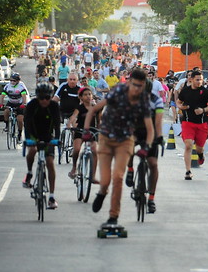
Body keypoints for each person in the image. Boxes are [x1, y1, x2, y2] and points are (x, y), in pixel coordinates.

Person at [85, 68, 154, 229]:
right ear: (129, 82)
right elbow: (94, 110)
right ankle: (102, 192)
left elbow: (150, 129)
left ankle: (113, 216)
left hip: (125, 140)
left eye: (141, 86)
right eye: (135, 85)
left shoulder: (143, 100)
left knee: (118, 177)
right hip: (106, 139)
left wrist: (146, 146)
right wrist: (87, 131)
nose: (137, 89)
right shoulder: (117, 92)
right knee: (106, 180)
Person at [125, 79, 165, 213]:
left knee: (153, 164)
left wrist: (159, 137)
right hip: (135, 130)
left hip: (151, 132)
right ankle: (130, 169)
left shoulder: (156, 100)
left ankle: (151, 198)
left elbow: (158, 121)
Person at [23, 83, 61, 209]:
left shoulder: (54, 106)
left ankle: (51, 196)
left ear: (51, 97)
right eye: (41, 98)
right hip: (34, 134)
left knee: (50, 162)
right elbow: (27, 123)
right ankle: (29, 173)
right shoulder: (32, 105)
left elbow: (57, 124)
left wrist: (57, 139)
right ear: (37, 97)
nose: (44, 100)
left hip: (47, 136)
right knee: (33, 150)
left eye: (47, 98)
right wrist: (28, 139)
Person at [177, 70, 208, 180]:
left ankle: (200, 155)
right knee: (188, 145)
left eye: (201, 80)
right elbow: (179, 101)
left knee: (199, 148)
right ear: (191, 79)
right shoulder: (185, 91)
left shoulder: (205, 92)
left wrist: (203, 110)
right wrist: (181, 107)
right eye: (197, 80)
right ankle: (188, 171)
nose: (199, 82)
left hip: (202, 124)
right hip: (188, 122)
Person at [68, 87, 99, 183]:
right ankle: (74, 168)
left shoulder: (95, 107)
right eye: (85, 95)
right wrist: (69, 124)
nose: (88, 96)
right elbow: (74, 116)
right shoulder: (79, 108)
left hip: (92, 131)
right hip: (80, 130)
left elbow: (100, 120)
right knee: (76, 149)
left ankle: (93, 176)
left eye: (89, 94)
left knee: (94, 151)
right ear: (81, 97)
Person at [0, 73, 28, 141]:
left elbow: (24, 96)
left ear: (18, 81)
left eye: (14, 81)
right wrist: (1, 103)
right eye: (11, 80)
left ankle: (19, 133)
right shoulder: (7, 86)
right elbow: (2, 95)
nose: (12, 82)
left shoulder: (21, 86)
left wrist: (24, 104)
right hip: (11, 102)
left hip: (19, 103)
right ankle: (7, 125)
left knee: (20, 120)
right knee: (6, 111)